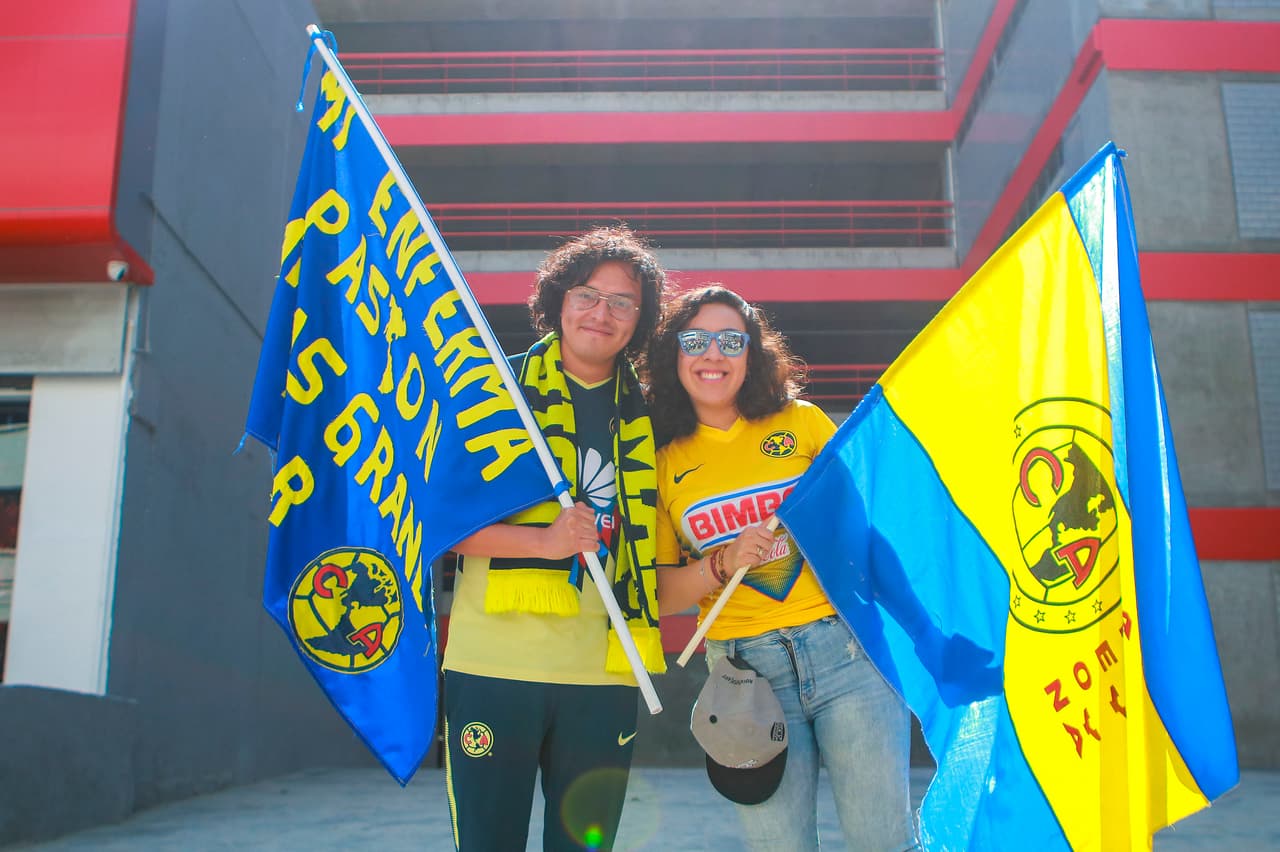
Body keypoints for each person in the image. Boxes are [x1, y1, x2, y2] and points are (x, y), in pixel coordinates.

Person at [647, 285, 917, 851]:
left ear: (753, 352)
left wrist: (925, 632)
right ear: (675, 353)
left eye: (730, 340)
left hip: (848, 657)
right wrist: (721, 563)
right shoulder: (661, 460)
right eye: (695, 340)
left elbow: (866, 537)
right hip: (746, 679)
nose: (712, 354)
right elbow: (662, 595)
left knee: (884, 843)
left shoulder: (803, 422)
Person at [441, 226, 669, 851]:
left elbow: (658, 555)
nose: (603, 312)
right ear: (558, 299)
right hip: (494, 666)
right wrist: (543, 543)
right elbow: (441, 522)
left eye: (624, 301)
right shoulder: (494, 394)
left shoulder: (653, 419)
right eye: (588, 294)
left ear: (642, 319)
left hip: (603, 676)